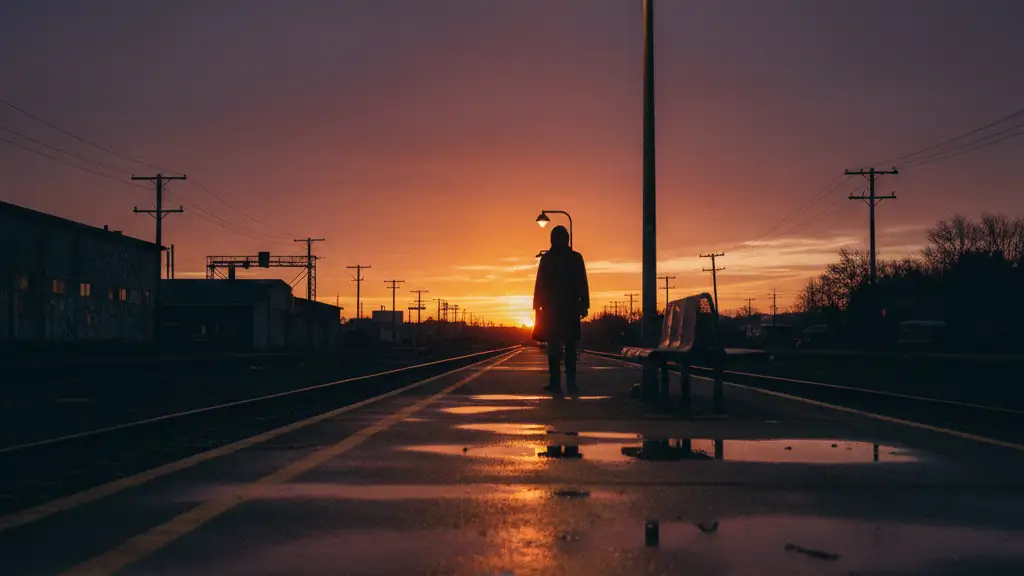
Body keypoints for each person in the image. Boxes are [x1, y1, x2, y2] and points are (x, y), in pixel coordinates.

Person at [532, 225, 589, 395]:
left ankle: (556, 382)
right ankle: (569, 383)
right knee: (567, 347)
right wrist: (584, 303)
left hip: (553, 308)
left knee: (556, 348)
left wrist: (537, 305)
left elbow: (539, 283)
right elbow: (582, 282)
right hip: (566, 308)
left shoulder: (549, 259)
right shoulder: (574, 258)